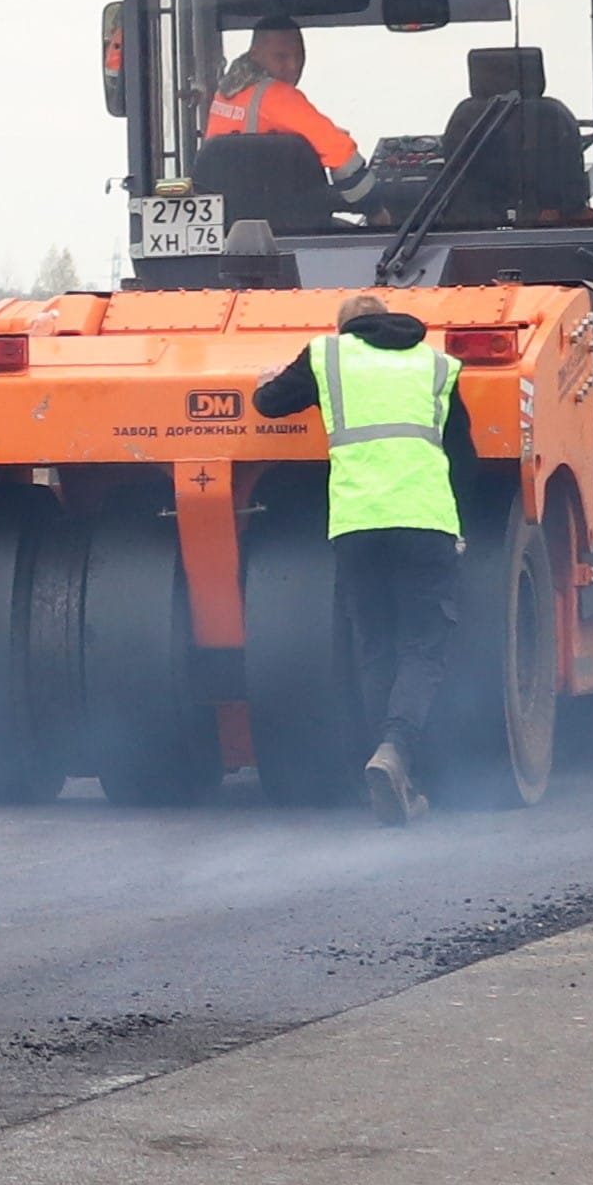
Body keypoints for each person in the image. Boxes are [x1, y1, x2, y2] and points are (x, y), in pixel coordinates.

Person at [253, 295, 468, 824]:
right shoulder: (437, 365)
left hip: (357, 525)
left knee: (375, 648)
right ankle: (397, 751)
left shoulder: (327, 356)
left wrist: (265, 380)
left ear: (344, 328)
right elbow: (462, 455)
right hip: (425, 523)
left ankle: (390, 767)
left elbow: (268, 404)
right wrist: (460, 525)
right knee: (423, 647)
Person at [203, 25, 362, 187]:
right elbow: (341, 154)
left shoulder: (225, 93)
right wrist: (372, 200)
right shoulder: (278, 95)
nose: (294, 66)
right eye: (281, 57)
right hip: (269, 198)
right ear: (255, 55)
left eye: (299, 55)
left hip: (230, 196)